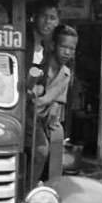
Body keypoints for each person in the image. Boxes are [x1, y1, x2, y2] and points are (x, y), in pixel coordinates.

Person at [30, 22, 77, 183]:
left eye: (71, 49)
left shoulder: (66, 73)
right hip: (29, 115)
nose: (67, 52)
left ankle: (52, 184)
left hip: (45, 118)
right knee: (42, 151)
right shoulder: (41, 66)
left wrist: (54, 111)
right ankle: (28, 189)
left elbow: (58, 100)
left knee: (59, 136)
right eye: (64, 47)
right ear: (54, 45)